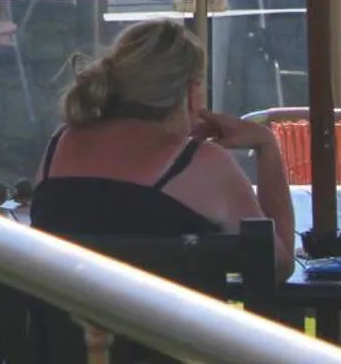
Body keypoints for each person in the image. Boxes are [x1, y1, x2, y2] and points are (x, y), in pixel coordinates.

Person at [30, 20, 293, 278]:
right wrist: (266, 144)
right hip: (168, 322)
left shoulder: (60, 146)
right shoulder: (200, 163)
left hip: (66, 320)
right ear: (191, 93)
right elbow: (277, 264)